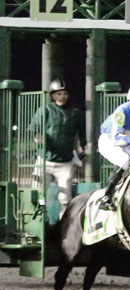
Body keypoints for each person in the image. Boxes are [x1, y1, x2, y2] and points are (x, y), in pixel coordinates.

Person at [29, 79, 85, 213]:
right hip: (44, 161)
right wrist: (38, 137)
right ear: (53, 95)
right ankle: (39, 224)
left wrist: (82, 146)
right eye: (59, 94)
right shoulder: (45, 110)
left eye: (65, 93)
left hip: (65, 162)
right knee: (38, 194)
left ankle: (63, 227)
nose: (62, 96)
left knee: (65, 199)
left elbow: (81, 133)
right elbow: (34, 129)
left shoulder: (75, 113)